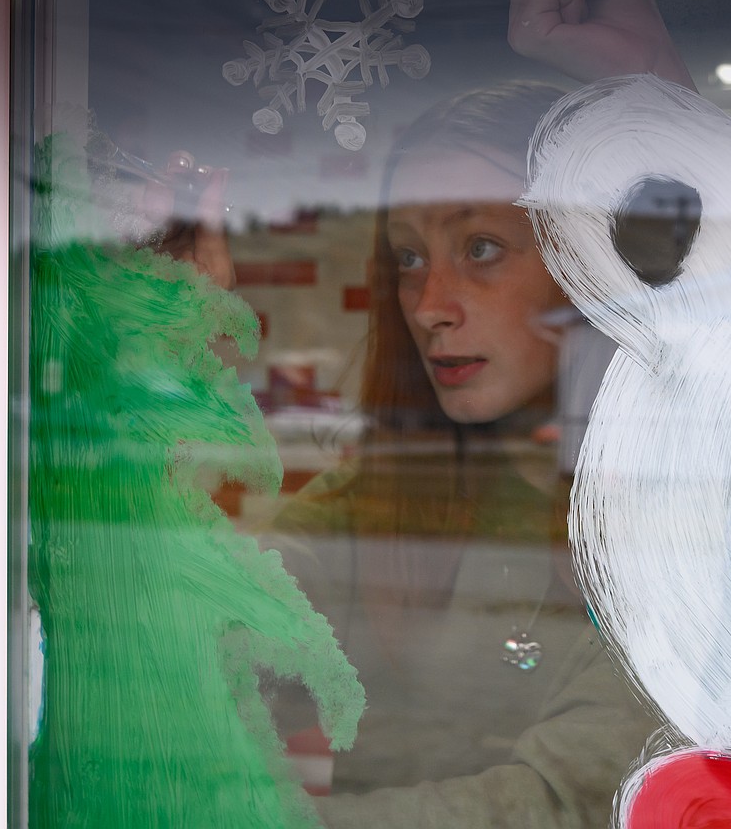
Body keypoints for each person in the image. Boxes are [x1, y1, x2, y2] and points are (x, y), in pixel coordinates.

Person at [261, 80, 658, 829]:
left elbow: (573, 799)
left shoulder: (670, 508)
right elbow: (234, 634)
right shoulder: (385, 490)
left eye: (480, 248)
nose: (430, 303)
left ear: (587, 264)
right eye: (408, 258)